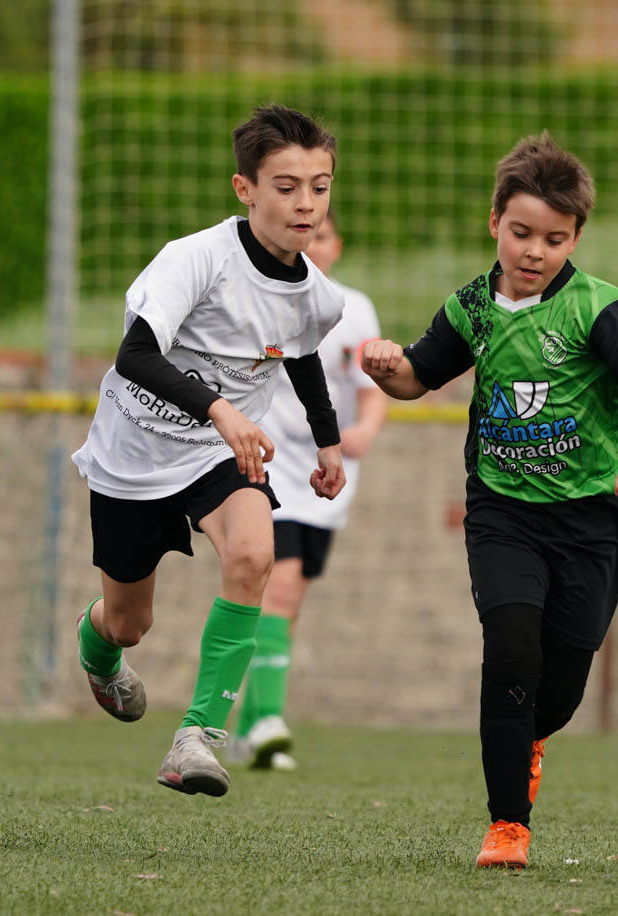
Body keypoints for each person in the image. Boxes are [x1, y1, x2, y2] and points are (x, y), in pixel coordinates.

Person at [360, 133, 618, 868]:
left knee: (558, 688)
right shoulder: (472, 307)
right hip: (502, 511)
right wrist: (388, 370)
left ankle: (529, 740)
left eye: (555, 239)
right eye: (522, 233)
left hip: (590, 518)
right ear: (495, 221)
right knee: (510, 650)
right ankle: (509, 825)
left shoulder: (602, 310)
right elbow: (416, 378)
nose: (535, 251)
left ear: (577, 237)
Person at [70, 105, 347, 798]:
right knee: (130, 623)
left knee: (256, 554)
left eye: (319, 185)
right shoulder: (195, 258)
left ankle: (197, 737)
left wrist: (328, 443)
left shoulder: (319, 295)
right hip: (132, 456)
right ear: (244, 188)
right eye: (286, 186)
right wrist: (221, 408)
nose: (305, 202)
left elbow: (304, 356)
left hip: (219, 456)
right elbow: (135, 355)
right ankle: (98, 652)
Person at [227, 208, 388, 771]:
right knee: (282, 588)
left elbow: (370, 388)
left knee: (286, 607)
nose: (313, 244)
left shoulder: (353, 309)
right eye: (306, 234)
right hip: (269, 462)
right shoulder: (264, 298)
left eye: (322, 235)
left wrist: (364, 429)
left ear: (336, 245)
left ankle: (250, 726)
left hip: (327, 473)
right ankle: (269, 720)